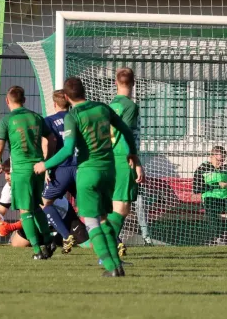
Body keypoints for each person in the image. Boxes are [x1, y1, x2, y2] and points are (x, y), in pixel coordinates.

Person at [33, 77, 144, 277]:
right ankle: (117, 263)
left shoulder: (73, 115)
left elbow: (68, 150)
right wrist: (133, 154)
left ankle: (111, 268)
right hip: (109, 171)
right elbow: (126, 130)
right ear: (84, 91)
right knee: (103, 219)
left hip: (88, 171)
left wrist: (45, 165)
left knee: (92, 222)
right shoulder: (103, 108)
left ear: (66, 97)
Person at [0, 86, 55, 260]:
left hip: (21, 171)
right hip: (38, 169)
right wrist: (47, 162)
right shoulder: (37, 117)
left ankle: (37, 250)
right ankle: (48, 240)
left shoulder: (7, 120)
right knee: (35, 207)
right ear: (24, 100)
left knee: (25, 211)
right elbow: (52, 138)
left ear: (7, 101)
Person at [0, 159, 90, 249]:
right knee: (16, 244)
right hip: (38, 223)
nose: (7, 177)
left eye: (9, 173)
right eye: (5, 173)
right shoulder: (8, 188)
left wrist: (12, 227)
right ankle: (52, 239)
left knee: (89, 246)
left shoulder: (31, 182)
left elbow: (37, 211)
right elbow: (0, 208)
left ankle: (60, 237)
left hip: (63, 217)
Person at [107, 68, 146, 255]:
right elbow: (127, 134)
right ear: (134, 82)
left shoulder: (109, 105)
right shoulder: (130, 106)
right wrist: (136, 162)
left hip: (110, 158)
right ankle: (107, 246)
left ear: (115, 82)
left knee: (117, 206)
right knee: (122, 208)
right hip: (124, 158)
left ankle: (109, 246)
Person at [41, 90, 79, 254]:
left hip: (61, 170)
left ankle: (65, 235)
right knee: (94, 207)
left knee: (45, 203)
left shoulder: (49, 121)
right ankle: (116, 242)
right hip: (79, 167)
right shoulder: (77, 118)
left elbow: (48, 143)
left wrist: (46, 167)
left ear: (54, 104)